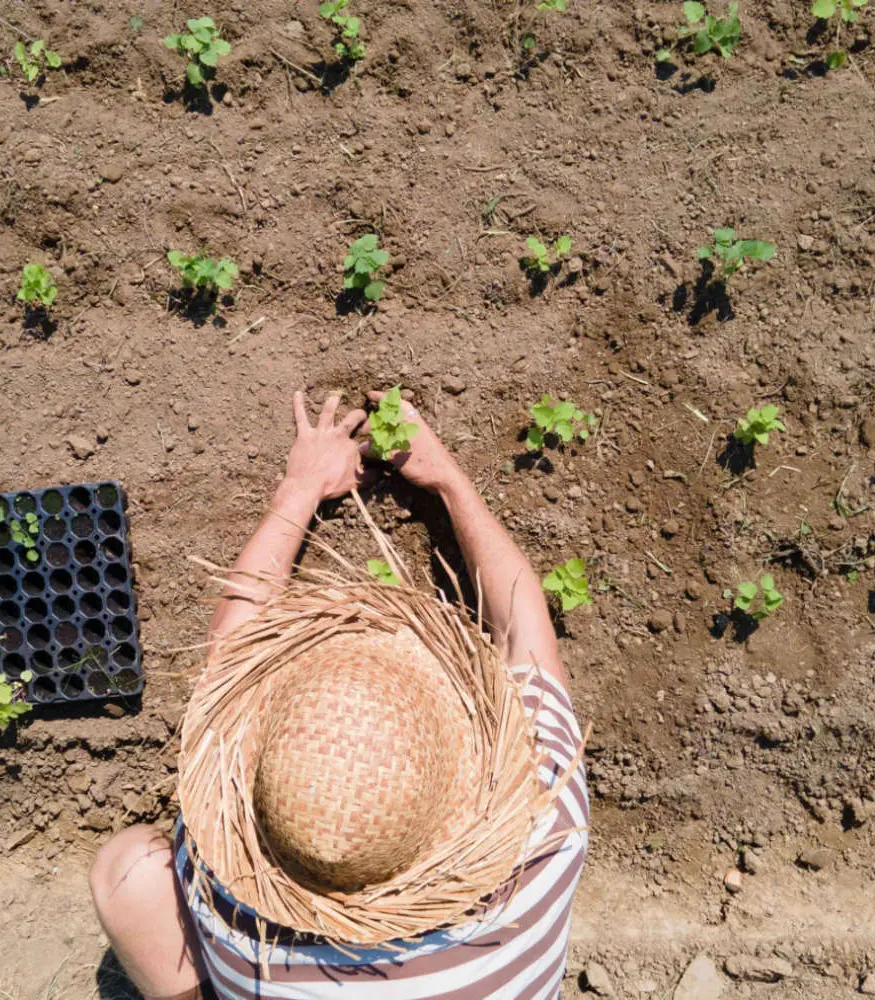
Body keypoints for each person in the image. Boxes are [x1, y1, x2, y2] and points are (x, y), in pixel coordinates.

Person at [90, 390, 589, 1000]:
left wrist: (298, 491)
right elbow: (520, 629)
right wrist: (449, 483)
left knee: (129, 870)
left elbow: (230, 655)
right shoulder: (547, 833)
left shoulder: (224, 896)